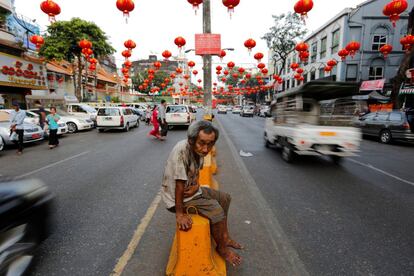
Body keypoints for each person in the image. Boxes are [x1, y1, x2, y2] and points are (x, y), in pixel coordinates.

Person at [161, 121, 242, 267]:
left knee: (224, 198)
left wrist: (196, 186)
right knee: (216, 210)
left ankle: (225, 237)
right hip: (177, 198)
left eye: (210, 144)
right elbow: (179, 186)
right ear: (191, 140)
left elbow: (197, 173)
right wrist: (179, 214)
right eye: (202, 143)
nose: (205, 149)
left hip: (192, 191)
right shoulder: (182, 152)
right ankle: (222, 248)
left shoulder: (199, 151)